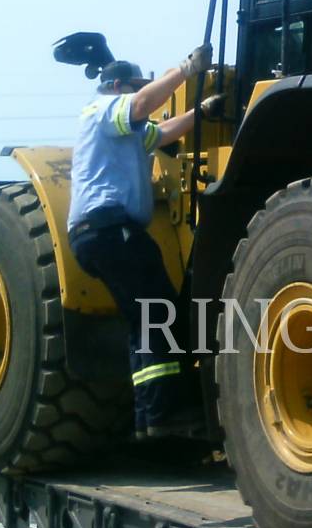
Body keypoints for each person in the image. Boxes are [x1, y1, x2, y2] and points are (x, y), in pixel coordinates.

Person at [67, 43, 219, 439]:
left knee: (145, 316)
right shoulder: (102, 110)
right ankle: (162, 414)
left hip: (99, 234)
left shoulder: (121, 131)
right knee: (157, 312)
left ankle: (149, 416)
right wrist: (185, 70)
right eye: (135, 88)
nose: (141, 95)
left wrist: (200, 113)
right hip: (110, 229)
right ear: (116, 86)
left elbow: (161, 132)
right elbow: (139, 108)